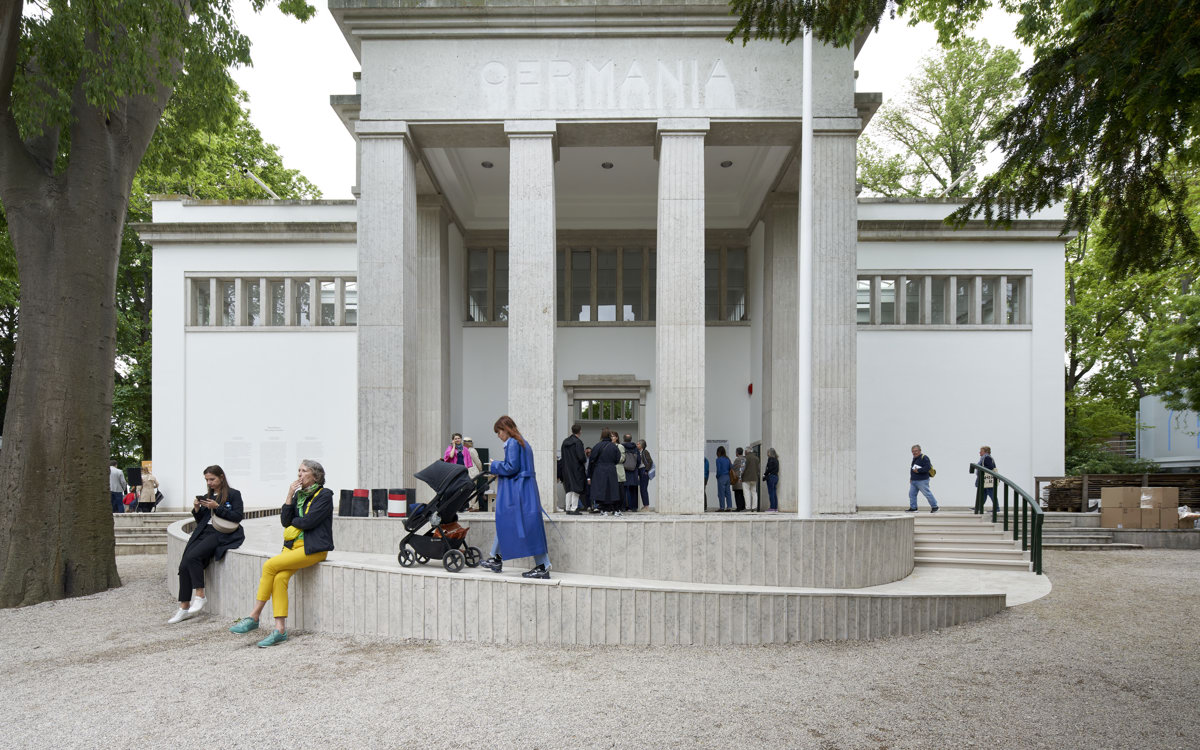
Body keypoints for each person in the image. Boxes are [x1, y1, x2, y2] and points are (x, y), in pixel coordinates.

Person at [229, 459, 335, 647]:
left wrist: (295, 522)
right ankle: (280, 630)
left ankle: (254, 616)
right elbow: (286, 521)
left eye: (303, 471)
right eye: (298, 471)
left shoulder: (325, 495)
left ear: (315, 475)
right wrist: (289, 495)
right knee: (279, 579)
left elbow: (309, 522)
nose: (299, 474)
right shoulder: (299, 495)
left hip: (314, 548)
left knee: (269, 565)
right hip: (292, 547)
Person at [168, 465, 245, 624]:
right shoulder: (206, 496)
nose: (209, 483)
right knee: (183, 566)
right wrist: (197, 508)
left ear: (221, 477)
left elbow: (237, 516)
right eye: (207, 480)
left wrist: (217, 507)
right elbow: (201, 521)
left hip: (222, 532)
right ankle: (184, 607)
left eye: (212, 479)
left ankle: (200, 595)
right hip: (203, 532)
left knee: (194, 557)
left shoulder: (233, 494)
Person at [480, 415, 552, 578]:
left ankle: (543, 566)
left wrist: (494, 465)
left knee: (514, 522)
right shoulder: (523, 442)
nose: (498, 436)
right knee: (517, 523)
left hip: (518, 491)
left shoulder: (512, 443)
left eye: (499, 432)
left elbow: (511, 467)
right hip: (526, 489)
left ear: (506, 429)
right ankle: (496, 557)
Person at [588, 429, 621, 516]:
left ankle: (603, 509)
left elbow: (592, 459)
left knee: (601, 489)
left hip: (599, 469)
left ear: (602, 436)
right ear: (610, 436)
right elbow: (618, 459)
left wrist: (589, 475)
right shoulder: (614, 446)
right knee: (611, 489)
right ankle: (611, 508)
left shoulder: (597, 446)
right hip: (611, 469)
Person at [560, 424, 587, 515]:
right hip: (576, 468)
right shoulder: (578, 442)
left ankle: (567, 508)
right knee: (576, 488)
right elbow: (581, 457)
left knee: (569, 488)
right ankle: (574, 508)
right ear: (580, 431)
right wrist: (584, 458)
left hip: (566, 468)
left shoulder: (565, 442)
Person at [907, 444, 939, 513]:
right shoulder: (915, 458)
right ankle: (913, 508)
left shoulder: (924, 457)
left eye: (916, 451)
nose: (914, 452)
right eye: (913, 451)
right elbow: (913, 469)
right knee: (911, 494)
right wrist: (911, 478)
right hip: (914, 481)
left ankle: (935, 507)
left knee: (927, 493)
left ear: (920, 451)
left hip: (922, 480)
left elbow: (928, 467)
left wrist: (918, 470)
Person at [621, 433, 641, 512]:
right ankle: (633, 507)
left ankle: (623, 507)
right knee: (633, 490)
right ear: (631, 439)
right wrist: (635, 467)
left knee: (623, 490)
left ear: (624, 439)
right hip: (633, 471)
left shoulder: (621, 447)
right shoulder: (635, 448)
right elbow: (639, 460)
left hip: (624, 470)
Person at [976, 445, 997, 513]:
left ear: (985, 452)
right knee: (984, 493)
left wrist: (982, 468)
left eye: (981, 451)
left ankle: (997, 508)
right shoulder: (985, 457)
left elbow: (990, 467)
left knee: (991, 493)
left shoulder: (987, 458)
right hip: (986, 479)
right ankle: (979, 507)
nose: (979, 452)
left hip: (988, 479)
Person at [612, 431, 627, 516]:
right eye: (611, 436)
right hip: (611, 471)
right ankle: (613, 508)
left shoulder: (620, 446)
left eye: (613, 436)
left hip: (619, 470)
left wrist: (612, 458)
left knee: (620, 491)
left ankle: (618, 508)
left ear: (617, 437)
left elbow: (622, 458)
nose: (612, 438)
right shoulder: (609, 446)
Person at [715, 446, 732, 512]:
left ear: (718, 452)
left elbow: (718, 470)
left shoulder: (718, 459)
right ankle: (729, 507)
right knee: (728, 493)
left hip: (721, 477)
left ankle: (722, 507)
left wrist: (717, 476)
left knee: (721, 493)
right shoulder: (727, 459)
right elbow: (731, 467)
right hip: (728, 477)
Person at [743, 447, 761, 512]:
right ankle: (754, 507)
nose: (744, 452)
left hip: (746, 478)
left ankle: (748, 507)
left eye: (745, 451)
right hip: (754, 478)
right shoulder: (757, 458)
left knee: (746, 492)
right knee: (754, 492)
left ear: (747, 451)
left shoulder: (745, 458)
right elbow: (758, 469)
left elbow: (742, 469)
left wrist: (739, 477)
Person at [637, 439, 653, 509]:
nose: (637, 445)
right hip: (640, 471)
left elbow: (650, 462)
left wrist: (646, 470)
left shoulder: (645, 452)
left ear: (642, 445)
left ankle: (646, 506)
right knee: (642, 489)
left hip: (644, 471)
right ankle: (645, 505)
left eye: (638, 444)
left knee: (643, 488)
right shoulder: (638, 452)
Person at [764, 448, 779, 512]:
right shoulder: (776, 460)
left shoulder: (770, 459)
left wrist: (765, 474)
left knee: (771, 493)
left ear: (770, 453)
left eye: (768, 452)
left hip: (771, 477)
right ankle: (775, 508)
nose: (767, 454)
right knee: (774, 493)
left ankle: (772, 508)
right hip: (776, 477)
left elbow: (769, 468)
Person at [732, 447, 747, 511]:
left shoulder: (737, 460)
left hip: (737, 479)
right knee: (742, 494)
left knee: (737, 494)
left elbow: (733, 468)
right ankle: (743, 506)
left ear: (737, 452)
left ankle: (739, 507)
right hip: (743, 478)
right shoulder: (745, 459)